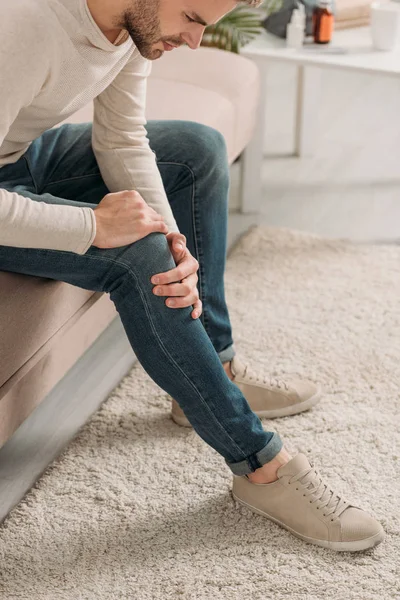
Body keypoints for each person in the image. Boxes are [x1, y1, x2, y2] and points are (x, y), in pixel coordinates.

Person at [0, 0, 384, 552]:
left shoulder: (133, 21)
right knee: (139, 255)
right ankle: (261, 466)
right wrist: (93, 224)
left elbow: (122, 139)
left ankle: (214, 366)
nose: (196, 41)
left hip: (22, 157)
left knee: (196, 151)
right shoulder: (28, 24)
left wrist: (173, 237)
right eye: (193, 19)